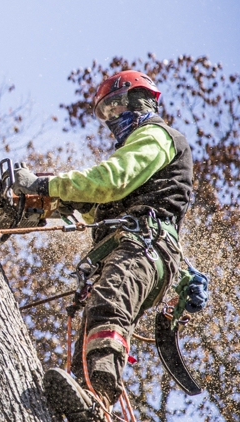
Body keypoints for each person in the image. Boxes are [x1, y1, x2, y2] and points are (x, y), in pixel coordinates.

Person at [12, 70, 194, 421]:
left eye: (115, 107)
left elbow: (110, 181)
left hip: (144, 248)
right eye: (104, 114)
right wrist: (40, 200)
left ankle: (100, 395)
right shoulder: (139, 155)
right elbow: (94, 202)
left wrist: (45, 184)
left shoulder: (155, 136)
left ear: (139, 100)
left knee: (107, 308)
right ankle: (88, 407)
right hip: (130, 251)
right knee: (89, 339)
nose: (112, 119)